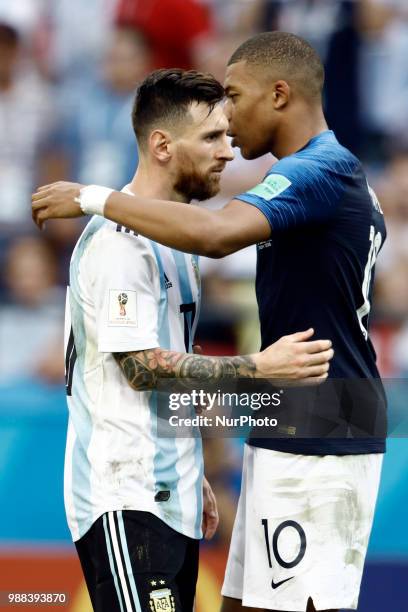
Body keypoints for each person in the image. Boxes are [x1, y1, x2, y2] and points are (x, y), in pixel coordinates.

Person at [31, 32, 384, 612]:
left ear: (278, 94)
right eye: (212, 134)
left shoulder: (317, 171)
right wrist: (240, 394)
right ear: (165, 145)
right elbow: (144, 368)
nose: (228, 141)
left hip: (320, 431)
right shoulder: (132, 245)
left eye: (234, 102)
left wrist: (90, 195)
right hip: (152, 481)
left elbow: (218, 235)